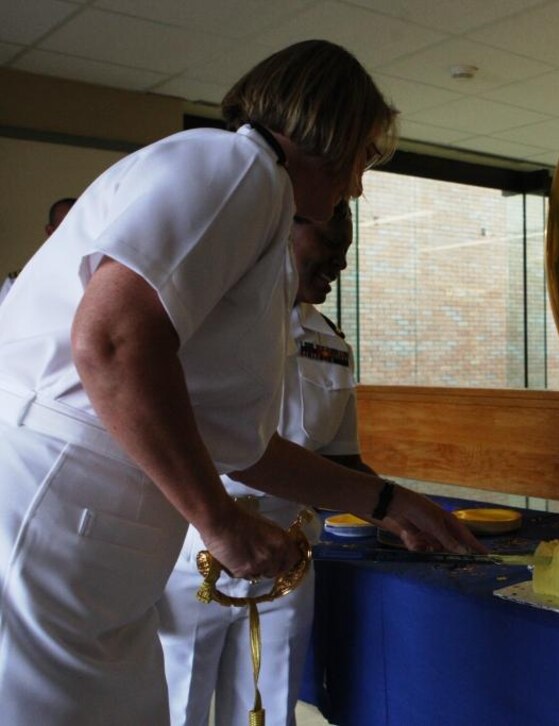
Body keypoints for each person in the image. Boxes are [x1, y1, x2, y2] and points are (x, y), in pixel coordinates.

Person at [0, 40, 481, 724]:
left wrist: (383, 500)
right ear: (335, 135)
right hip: (58, 511)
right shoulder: (237, 169)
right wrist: (218, 519)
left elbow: (239, 441)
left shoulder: (251, 200)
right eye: (365, 158)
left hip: (94, 537)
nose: (358, 185)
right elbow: (108, 342)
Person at [158, 201, 373, 726]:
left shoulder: (330, 343)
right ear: (283, 230)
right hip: (196, 543)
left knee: (272, 708)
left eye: (347, 251)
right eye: (330, 245)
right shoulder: (206, 318)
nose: (340, 264)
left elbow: (343, 460)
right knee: (176, 703)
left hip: (290, 550)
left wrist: (403, 510)